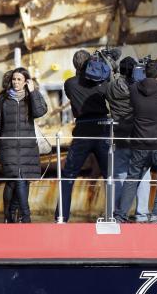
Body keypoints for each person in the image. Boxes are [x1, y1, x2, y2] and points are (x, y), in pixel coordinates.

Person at [114, 59, 157, 222]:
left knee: (132, 180)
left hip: (139, 144)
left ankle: (120, 216)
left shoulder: (134, 89)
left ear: (144, 72)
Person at [56, 50, 112, 222]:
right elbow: (109, 89)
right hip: (102, 129)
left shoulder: (70, 83)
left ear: (75, 65)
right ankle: (114, 215)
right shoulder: (101, 82)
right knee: (109, 175)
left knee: (68, 176)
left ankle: (61, 217)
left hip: (82, 131)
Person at [0, 67, 48, 223]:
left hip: (28, 146)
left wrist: (33, 91)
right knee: (18, 178)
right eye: (14, 79)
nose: (16, 82)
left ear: (26, 82)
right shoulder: (2, 100)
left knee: (19, 181)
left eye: (19, 79)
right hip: (7, 147)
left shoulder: (31, 98)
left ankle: (10, 215)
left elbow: (40, 112)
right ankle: (26, 216)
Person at [106, 56, 150, 221]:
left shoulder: (110, 87)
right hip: (138, 135)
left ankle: (115, 212)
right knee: (143, 175)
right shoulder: (137, 89)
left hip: (119, 135)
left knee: (119, 174)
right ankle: (141, 213)